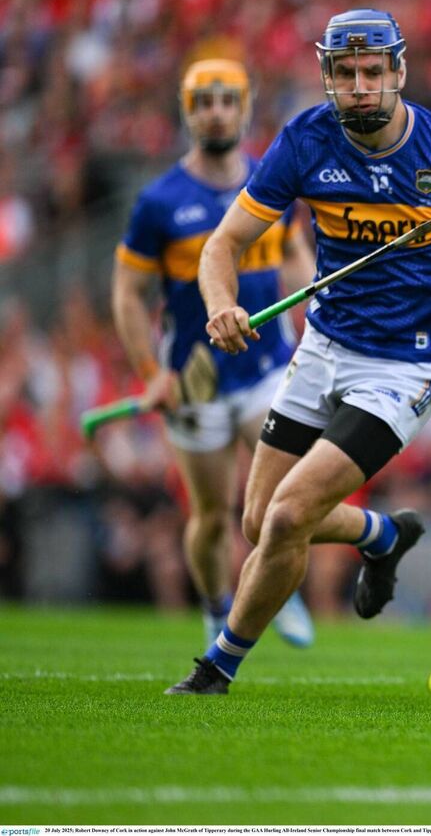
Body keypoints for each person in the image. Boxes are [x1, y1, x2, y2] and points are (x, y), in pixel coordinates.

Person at [166, 9, 431, 694]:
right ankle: (383, 535)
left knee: (289, 514)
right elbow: (223, 246)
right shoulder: (306, 140)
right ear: (327, 76)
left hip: (406, 366)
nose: (360, 86)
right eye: (344, 73)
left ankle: (218, 667)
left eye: (372, 72)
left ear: (399, 71)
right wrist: (221, 305)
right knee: (255, 518)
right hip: (323, 347)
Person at [113, 58, 316, 649]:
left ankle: (276, 586)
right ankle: (214, 604)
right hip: (196, 379)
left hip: (265, 369)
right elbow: (126, 295)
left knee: (288, 493)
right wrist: (151, 372)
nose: (217, 111)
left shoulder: (269, 181)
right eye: (205, 102)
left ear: (245, 106)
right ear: (189, 112)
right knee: (211, 517)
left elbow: (296, 258)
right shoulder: (159, 201)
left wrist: (320, 321)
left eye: (228, 100)